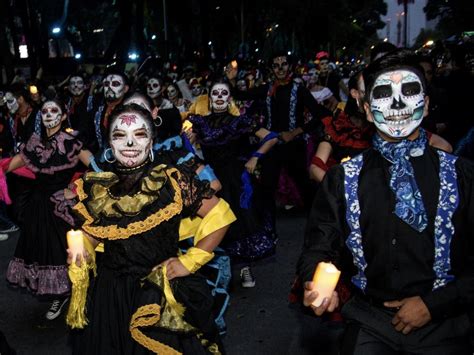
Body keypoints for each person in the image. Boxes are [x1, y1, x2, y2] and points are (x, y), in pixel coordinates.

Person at [298, 49, 474, 354]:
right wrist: (315, 284)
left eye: (408, 91)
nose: (396, 104)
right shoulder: (342, 178)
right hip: (370, 323)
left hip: (445, 326)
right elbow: (319, 246)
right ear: (367, 110)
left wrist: (434, 305)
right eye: (383, 94)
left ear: (427, 104)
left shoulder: (462, 175)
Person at [70, 104, 235, 354]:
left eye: (139, 134)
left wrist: (189, 262)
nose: (129, 143)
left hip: (160, 289)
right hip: (111, 295)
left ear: (150, 141)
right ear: (110, 145)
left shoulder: (172, 180)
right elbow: (93, 235)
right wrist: (83, 250)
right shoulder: (99, 188)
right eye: (119, 135)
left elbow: (219, 213)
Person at [4, 99, 92, 320]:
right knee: (44, 254)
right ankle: (60, 296)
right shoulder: (35, 144)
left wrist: (77, 187)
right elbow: (9, 165)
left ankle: (74, 293)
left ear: (63, 116)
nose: (49, 114)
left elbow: (99, 167)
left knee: (67, 253)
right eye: (44, 111)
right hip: (38, 208)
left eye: (55, 110)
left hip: (63, 208)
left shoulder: (72, 142)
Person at [226, 52, 332, 231]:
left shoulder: (299, 89)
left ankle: (321, 223)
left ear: (290, 67)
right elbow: (240, 96)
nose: (280, 68)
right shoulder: (267, 89)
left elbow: (320, 114)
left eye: (284, 64)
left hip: (293, 145)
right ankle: (264, 229)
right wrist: (232, 80)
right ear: (271, 69)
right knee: (266, 186)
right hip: (271, 146)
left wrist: (295, 132)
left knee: (304, 184)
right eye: (276, 65)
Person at [189, 81, 279, 288]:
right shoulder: (200, 123)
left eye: (223, 93)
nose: (219, 97)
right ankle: (219, 271)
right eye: (215, 93)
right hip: (211, 180)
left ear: (229, 98)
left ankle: (245, 270)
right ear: (210, 98)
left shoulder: (240, 122)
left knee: (241, 223)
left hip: (235, 180)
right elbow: (185, 146)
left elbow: (271, 138)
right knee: (213, 223)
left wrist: (255, 157)